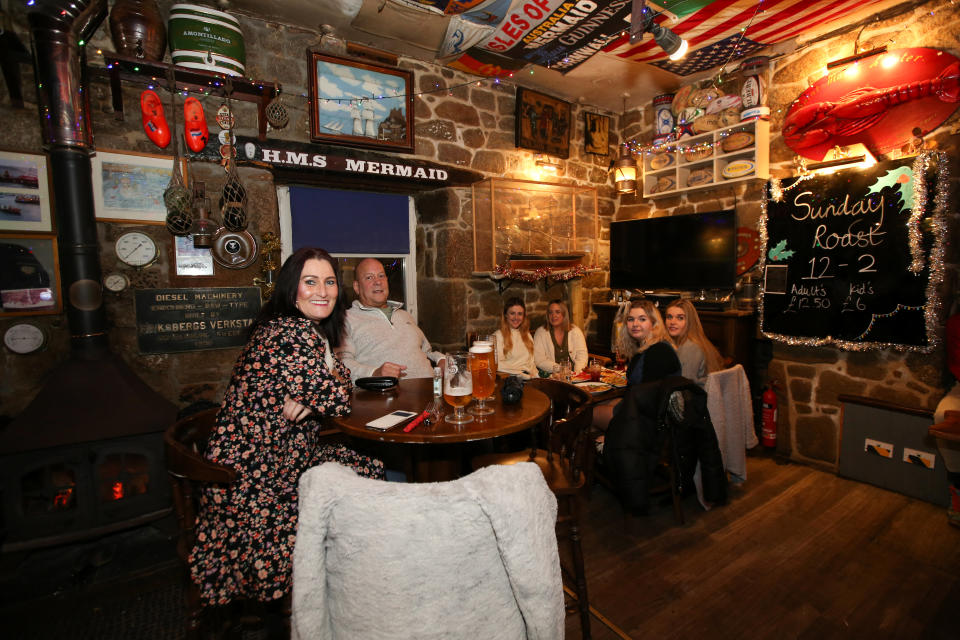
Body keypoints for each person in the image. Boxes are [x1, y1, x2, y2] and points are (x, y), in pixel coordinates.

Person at [189, 247, 384, 608]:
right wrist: (321, 392)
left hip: (281, 457)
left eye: (328, 282)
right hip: (253, 481)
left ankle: (350, 572)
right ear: (292, 289)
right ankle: (339, 584)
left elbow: (338, 380)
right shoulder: (287, 333)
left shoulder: (304, 331)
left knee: (366, 463)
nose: (322, 292)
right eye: (310, 282)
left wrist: (316, 394)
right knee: (362, 472)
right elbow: (340, 398)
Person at [339, 258, 443, 381]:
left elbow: (426, 351)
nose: (378, 281)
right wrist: (374, 373)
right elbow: (342, 364)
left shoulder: (405, 315)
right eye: (369, 277)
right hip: (385, 396)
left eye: (381, 276)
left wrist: (441, 359)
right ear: (357, 287)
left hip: (430, 390)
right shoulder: (346, 319)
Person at [664, 298, 724, 387]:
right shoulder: (692, 341)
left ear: (690, 322)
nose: (672, 322)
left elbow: (682, 386)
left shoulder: (690, 347)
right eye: (669, 317)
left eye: (680, 318)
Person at [533, 299, 588, 376]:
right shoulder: (541, 333)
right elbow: (539, 360)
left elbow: (582, 356)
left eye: (557, 312)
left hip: (575, 374)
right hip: (552, 376)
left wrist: (577, 374)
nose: (553, 315)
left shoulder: (575, 331)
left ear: (564, 314)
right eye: (550, 312)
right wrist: (561, 369)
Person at [494, 297, 536, 378]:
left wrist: (536, 375)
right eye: (512, 313)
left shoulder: (527, 335)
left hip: (530, 378)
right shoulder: (497, 336)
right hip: (510, 380)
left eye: (520, 314)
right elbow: (496, 364)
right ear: (506, 315)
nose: (516, 317)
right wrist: (520, 372)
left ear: (524, 316)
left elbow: (531, 362)